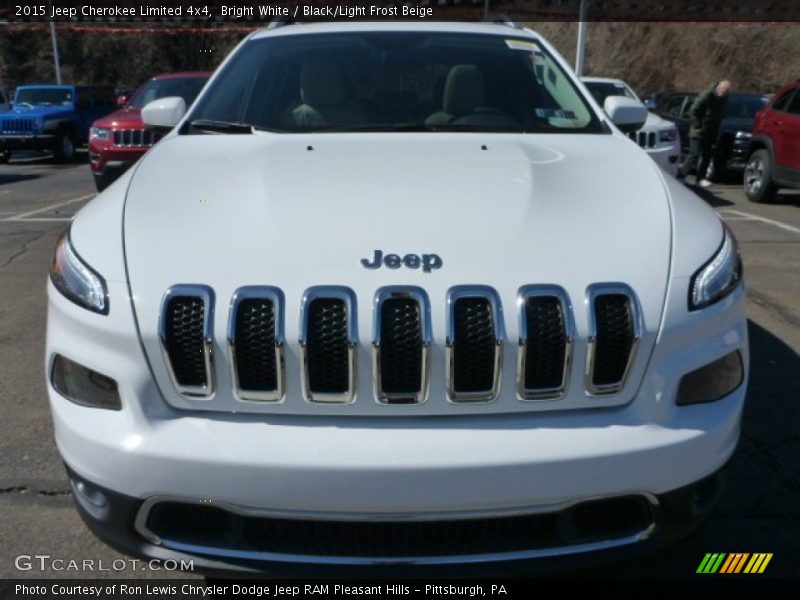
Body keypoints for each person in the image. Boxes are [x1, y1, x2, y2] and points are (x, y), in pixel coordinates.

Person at [678, 80, 732, 187]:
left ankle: (700, 178)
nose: (723, 92)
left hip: (710, 131)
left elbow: (718, 117)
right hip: (697, 130)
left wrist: (715, 133)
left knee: (707, 155)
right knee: (694, 154)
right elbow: (693, 110)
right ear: (718, 87)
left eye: (726, 91)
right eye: (722, 89)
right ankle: (681, 175)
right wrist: (698, 125)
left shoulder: (724, 100)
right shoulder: (707, 95)